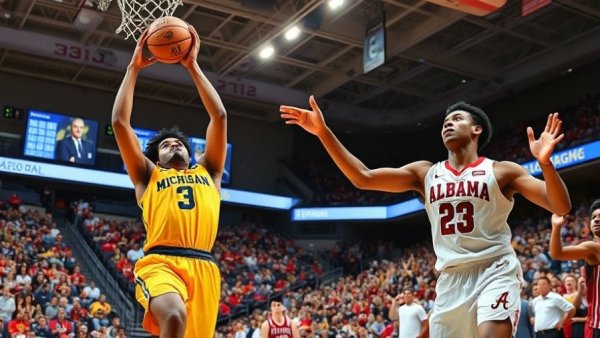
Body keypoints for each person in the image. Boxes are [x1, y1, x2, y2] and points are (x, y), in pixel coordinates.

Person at [280, 98, 571, 338]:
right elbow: (363, 178)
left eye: (457, 118)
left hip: (494, 269)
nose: (448, 123)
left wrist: (545, 163)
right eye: (446, 121)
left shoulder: (502, 171)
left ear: (476, 129)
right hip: (450, 279)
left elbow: (561, 205)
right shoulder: (425, 173)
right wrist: (323, 133)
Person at [112, 24, 227, 338]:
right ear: (156, 158)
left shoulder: (210, 171)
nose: (173, 145)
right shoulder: (148, 176)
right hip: (160, 262)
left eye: (179, 144)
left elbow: (219, 117)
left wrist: (192, 65)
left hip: (204, 268)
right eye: (164, 145)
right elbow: (120, 123)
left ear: (192, 156)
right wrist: (133, 68)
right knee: (174, 317)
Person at [549, 200, 600, 336]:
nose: (596, 220)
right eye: (594, 217)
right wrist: (556, 227)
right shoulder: (592, 248)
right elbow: (557, 253)